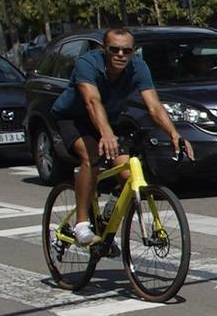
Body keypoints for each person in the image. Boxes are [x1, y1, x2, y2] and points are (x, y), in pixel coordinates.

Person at [51, 27, 193, 245]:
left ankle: (108, 219)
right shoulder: (87, 64)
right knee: (91, 157)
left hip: (109, 120)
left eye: (126, 51)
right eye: (114, 49)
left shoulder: (138, 67)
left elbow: (154, 106)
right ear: (103, 49)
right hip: (74, 118)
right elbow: (91, 101)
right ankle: (81, 225)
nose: (120, 55)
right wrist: (105, 133)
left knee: (129, 175)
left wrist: (175, 133)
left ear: (133, 51)